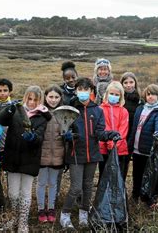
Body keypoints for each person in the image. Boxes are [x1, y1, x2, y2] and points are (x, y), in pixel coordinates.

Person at [60, 77, 120, 230]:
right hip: (75, 154)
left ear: (91, 91)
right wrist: (67, 136)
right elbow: (64, 129)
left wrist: (110, 134)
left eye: (86, 90)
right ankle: (65, 214)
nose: (83, 93)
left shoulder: (97, 110)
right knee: (76, 187)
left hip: (93, 155)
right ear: (76, 91)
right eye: (80, 89)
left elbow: (99, 133)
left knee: (88, 186)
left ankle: (84, 213)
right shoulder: (70, 109)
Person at [0, 86, 51, 233]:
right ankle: (13, 218)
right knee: (13, 193)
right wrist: (9, 109)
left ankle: (23, 222)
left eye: (35, 99)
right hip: (12, 157)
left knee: (25, 192)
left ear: (40, 100)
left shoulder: (42, 116)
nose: (31, 102)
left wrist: (33, 138)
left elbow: (40, 137)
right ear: (25, 97)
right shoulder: (16, 110)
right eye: (29, 98)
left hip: (30, 159)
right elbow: (0, 120)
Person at [128, 84, 158, 207]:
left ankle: (148, 198)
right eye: (148, 94)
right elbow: (134, 127)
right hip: (136, 148)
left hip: (148, 149)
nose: (150, 97)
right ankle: (135, 195)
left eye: (153, 94)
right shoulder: (141, 108)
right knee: (136, 174)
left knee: (148, 175)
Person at [37, 85, 65, 223]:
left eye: (56, 97)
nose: (53, 100)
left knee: (53, 183)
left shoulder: (64, 113)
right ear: (45, 97)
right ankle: (41, 208)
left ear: (60, 98)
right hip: (42, 153)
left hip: (58, 154)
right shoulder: (40, 112)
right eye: (50, 97)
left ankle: (51, 208)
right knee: (41, 183)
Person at [98, 81, 129, 180]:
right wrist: (108, 143)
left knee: (117, 176)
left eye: (117, 95)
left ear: (121, 96)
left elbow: (123, 130)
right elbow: (102, 128)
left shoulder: (123, 111)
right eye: (111, 94)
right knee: (103, 175)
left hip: (119, 149)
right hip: (103, 148)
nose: (114, 96)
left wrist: (114, 144)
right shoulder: (100, 109)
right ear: (106, 94)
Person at [121, 72, 142, 181]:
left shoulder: (140, 100)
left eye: (131, 82)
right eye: (125, 82)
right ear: (122, 84)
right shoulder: (119, 99)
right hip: (121, 137)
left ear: (135, 83)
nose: (129, 85)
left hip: (134, 137)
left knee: (133, 165)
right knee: (120, 164)